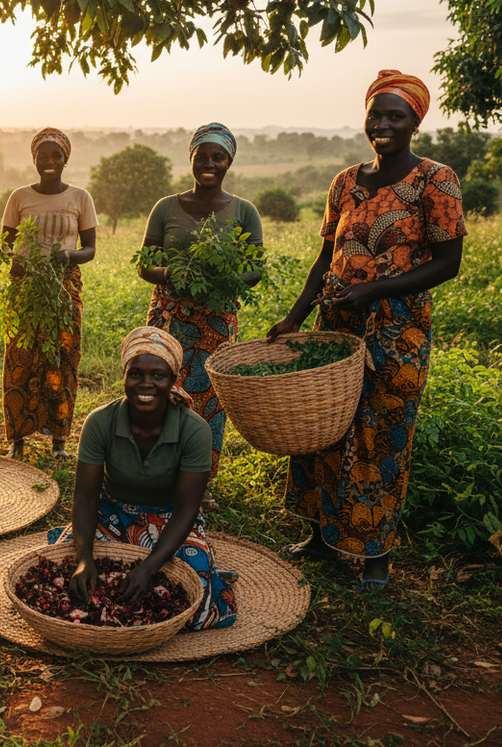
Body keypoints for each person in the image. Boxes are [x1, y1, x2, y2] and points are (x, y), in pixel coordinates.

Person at [266, 71, 466, 588]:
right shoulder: (346, 182)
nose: (382, 125)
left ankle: (375, 556)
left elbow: (448, 262)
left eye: (394, 116)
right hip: (337, 326)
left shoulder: (435, 180)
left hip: (398, 332)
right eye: (375, 114)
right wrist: (295, 316)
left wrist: (376, 290)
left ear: (415, 122)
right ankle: (320, 535)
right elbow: (325, 258)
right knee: (324, 429)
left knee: (382, 437)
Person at [51, 327, 236, 631]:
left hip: (168, 519)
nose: (146, 384)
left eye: (158, 375)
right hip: (111, 514)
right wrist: (84, 559)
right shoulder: (100, 422)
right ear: (124, 376)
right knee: (70, 576)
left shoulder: (194, 430)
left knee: (194, 584)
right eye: (135, 374)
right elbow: (85, 497)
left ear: (173, 380)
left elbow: (187, 510)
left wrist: (149, 568)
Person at [138, 123, 263, 508]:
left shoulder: (244, 211)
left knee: (208, 401)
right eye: (201, 157)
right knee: (159, 393)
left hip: (216, 322)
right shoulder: (165, 207)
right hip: (171, 317)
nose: (209, 164)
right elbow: (145, 264)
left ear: (229, 162)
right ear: (190, 159)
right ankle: (154, 474)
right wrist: (171, 275)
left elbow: (255, 270)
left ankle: (199, 483)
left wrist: (224, 281)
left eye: (217, 157)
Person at [1, 128, 98, 461]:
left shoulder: (80, 198)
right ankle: (18, 438)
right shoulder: (19, 197)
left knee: (62, 358)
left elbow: (90, 249)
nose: (49, 162)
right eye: (42, 155)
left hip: (64, 289)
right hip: (27, 289)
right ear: (34, 159)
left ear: (65, 159)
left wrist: (68, 256)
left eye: (56, 155)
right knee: (21, 359)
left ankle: (58, 439)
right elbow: (4, 246)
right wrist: (17, 264)